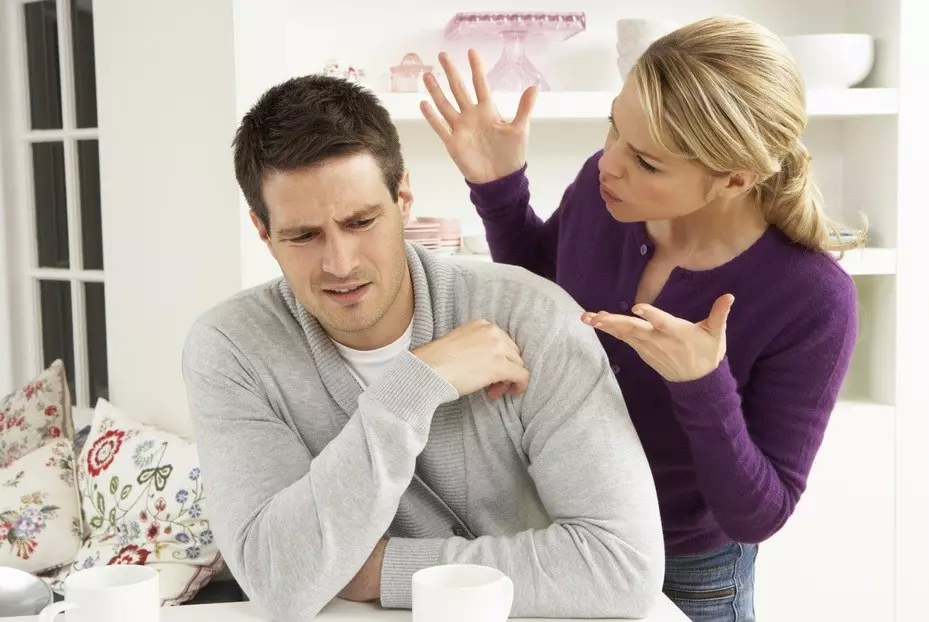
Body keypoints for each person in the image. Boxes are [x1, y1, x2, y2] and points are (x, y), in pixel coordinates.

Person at [420, 15, 859, 622]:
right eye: (613, 128)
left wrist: (703, 386)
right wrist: (499, 189)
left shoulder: (812, 298)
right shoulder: (602, 199)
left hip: (689, 575)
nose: (610, 163)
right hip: (553, 533)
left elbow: (757, 515)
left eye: (647, 162)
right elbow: (544, 297)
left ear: (735, 177)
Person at [180, 74, 665, 622]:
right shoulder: (230, 348)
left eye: (361, 222)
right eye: (303, 236)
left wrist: (382, 568)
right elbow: (278, 581)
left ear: (404, 197)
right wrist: (410, 390)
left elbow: (624, 568)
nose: (340, 264)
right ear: (264, 233)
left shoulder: (533, 316)